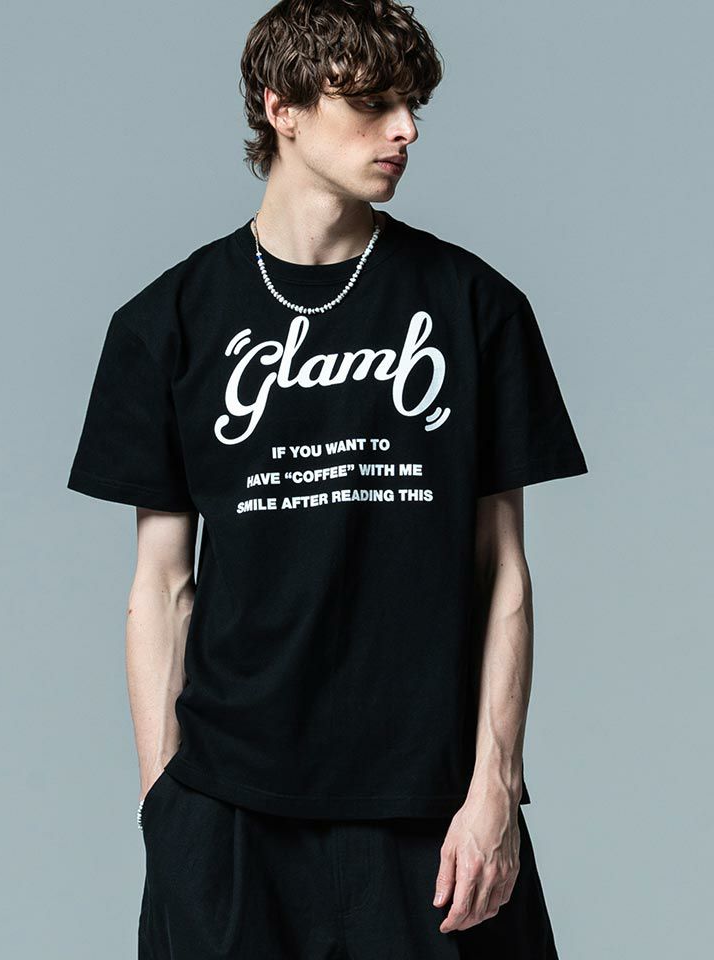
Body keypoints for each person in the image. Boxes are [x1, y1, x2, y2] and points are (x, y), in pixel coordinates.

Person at [67, 1, 588, 956]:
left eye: (412, 104)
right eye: (374, 103)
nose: (406, 129)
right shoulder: (166, 323)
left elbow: (504, 574)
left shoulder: (476, 307)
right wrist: (164, 810)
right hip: (229, 813)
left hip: (435, 814)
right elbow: (162, 585)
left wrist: (493, 789)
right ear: (283, 108)